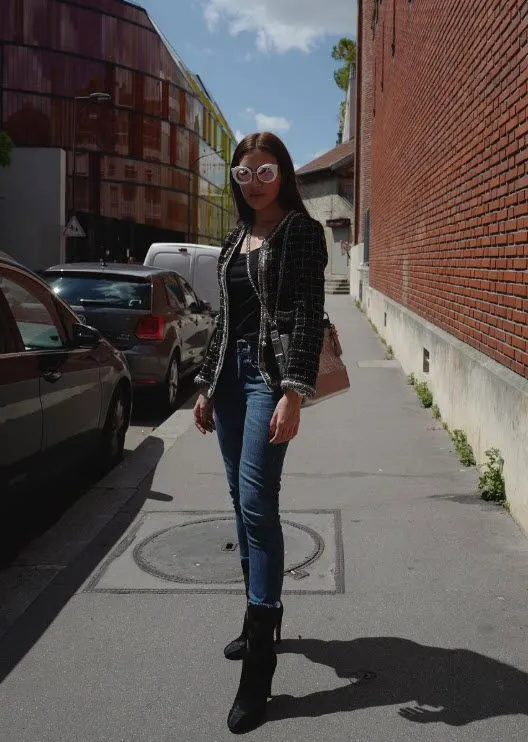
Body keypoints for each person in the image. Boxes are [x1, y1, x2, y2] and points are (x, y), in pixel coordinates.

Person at [193, 131, 327, 734]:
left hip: (267, 380)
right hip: (227, 380)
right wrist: (203, 384)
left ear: (283, 173)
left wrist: (294, 391)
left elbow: (307, 312)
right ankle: (259, 626)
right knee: (238, 502)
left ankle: (260, 665)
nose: (254, 183)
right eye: (244, 174)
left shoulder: (301, 232)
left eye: (265, 171)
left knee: (257, 504)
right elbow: (226, 318)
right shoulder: (235, 238)